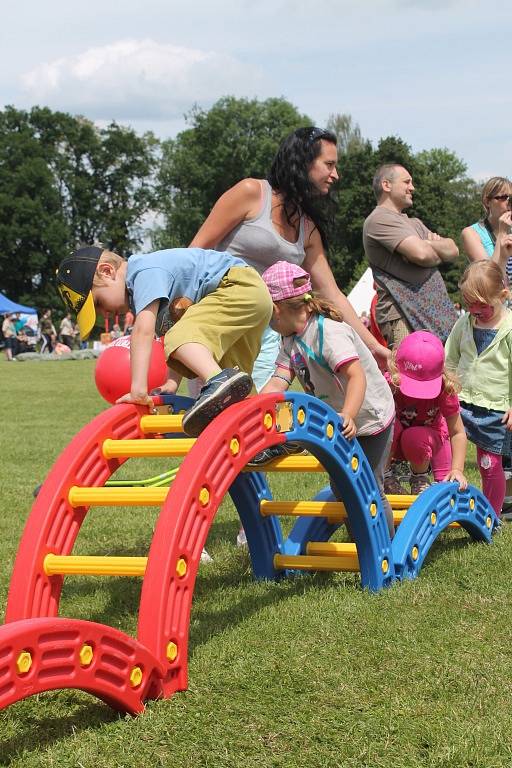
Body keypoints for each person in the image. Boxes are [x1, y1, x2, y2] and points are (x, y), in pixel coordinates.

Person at [190, 126, 390, 390]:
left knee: (255, 415)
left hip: (266, 336)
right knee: (210, 411)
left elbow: (332, 294)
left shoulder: (308, 229)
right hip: (219, 323)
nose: (336, 175)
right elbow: (195, 252)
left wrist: (373, 346)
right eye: (329, 164)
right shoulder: (250, 193)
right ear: (304, 161)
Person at [56, 245, 272, 437]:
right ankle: (257, 433)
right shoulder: (151, 290)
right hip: (253, 296)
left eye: (99, 303)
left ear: (108, 271)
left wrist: (138, 390)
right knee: (234, 383)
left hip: (236, 286)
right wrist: (171, 383)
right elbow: (177, 334)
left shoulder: (142, 272)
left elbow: (143, 332)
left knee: (185, 342)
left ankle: (219, 380)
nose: (104, 313)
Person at [256, 261, 397, 538]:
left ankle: (384, 548)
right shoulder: (289, 339)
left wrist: (348, 413)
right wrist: (254, 407)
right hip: (340, 420)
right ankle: (362, 540)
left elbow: (357, 376)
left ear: (276, 310)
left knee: (369, 485)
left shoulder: (328, 332)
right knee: (342, 485)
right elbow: (278, 381)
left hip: (370, 417)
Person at [363, 163, 459, 348]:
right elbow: (422, 255)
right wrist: (429, 248)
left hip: (427, 312)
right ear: (386, 185)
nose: (412, 187)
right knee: (411, 373)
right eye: (407, 182)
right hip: (403, 315)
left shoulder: (414, 223)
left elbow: (453, 249)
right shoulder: (378, 219)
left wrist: (428, 244)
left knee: (445, 374)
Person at [445, 257, 512, 517]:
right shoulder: (464, 324)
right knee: (447, 449)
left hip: (494, 408)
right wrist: (447, 383)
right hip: (461, 401)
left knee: (489, 464)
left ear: (503, 295)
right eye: (469, 303)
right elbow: (449, 356)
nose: (474, 310)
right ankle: (448, 499)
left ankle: (490, 516)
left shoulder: (508, 328)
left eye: (481, 304)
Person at [384, 331, 468, 496]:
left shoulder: (445, 389)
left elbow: (457, 432)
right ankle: (386, 477)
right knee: (388, 425)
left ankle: (420, 478)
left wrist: (457, 469)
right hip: (392, 443)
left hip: (426, 441)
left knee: (415, 437)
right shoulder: (389, 384)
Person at [461, 176, 512, 280]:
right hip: (495, 295)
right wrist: (502, 233)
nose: (509, 203)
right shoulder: (471, 233)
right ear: (487, 202)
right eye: (503, 198)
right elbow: (488, 278)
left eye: (511, 199)